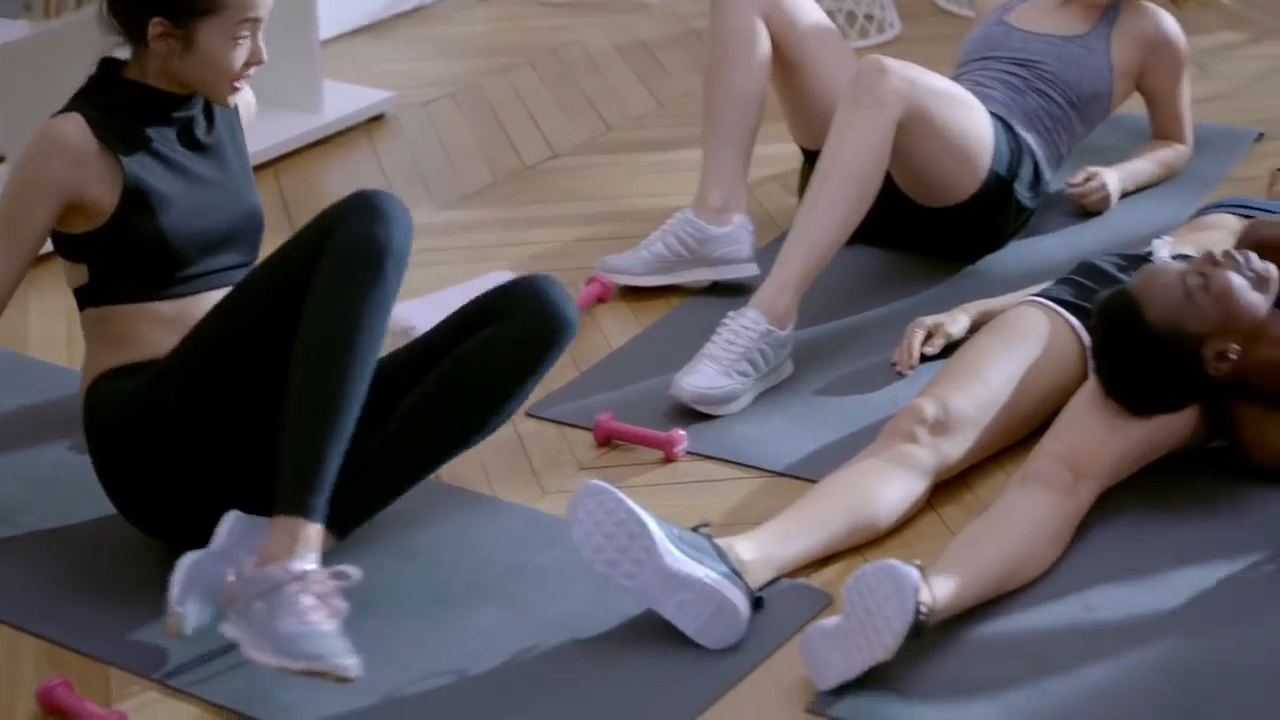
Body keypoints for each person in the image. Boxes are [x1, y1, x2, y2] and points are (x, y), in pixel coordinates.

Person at [0, 0, 578, 682]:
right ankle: (291, 557)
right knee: (374, 219)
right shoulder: (73, 144)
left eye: (264, 30)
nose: (261, 56)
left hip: (264, 443)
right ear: (163, 35)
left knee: (541, 310)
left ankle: (267, 549)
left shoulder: (232, 108)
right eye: (243, 34)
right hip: (159, 451)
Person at [561, 186, 1280, 692]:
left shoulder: (1245, 303)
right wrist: (983, 309)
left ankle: (921, 604)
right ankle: (735, 563)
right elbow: (1148, 257)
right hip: (1113, 293)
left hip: (1183, 349)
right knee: (923, 428)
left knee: (1059, 480)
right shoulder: (1238, 242)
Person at [594, 0, 1199, 417]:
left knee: (885, 76)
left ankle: (769, 322)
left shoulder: (1148, 29)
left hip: (988, 188)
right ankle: (716, 221)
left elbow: (1174, 140)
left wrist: (1120, 176)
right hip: (896, 171)